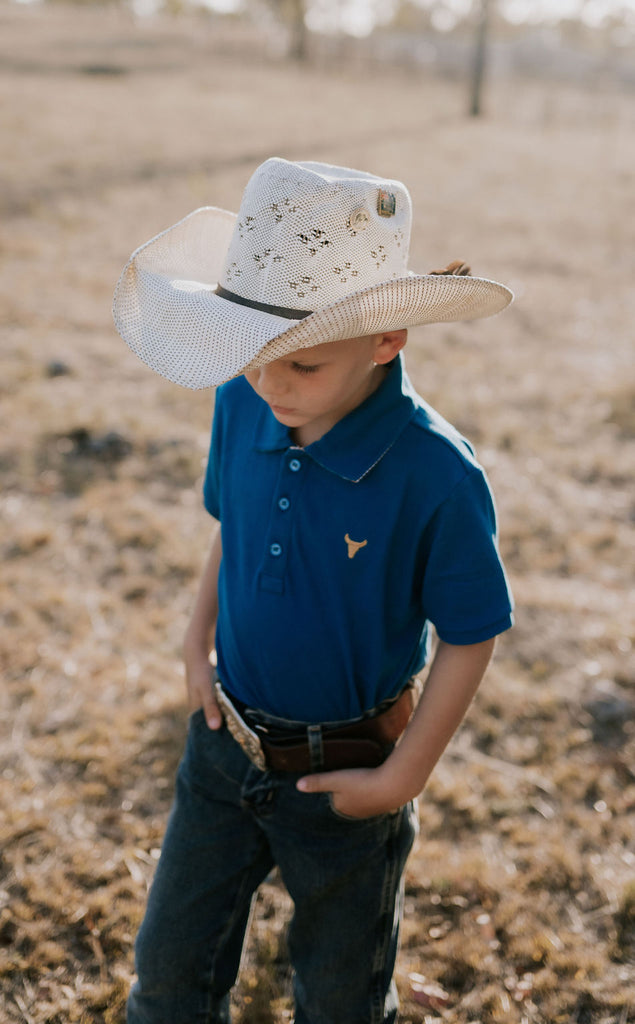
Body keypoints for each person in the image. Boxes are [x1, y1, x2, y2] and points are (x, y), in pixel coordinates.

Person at [113, 158, 515, 1024]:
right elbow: (232, 525)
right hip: (222, 748)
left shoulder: (433, 475)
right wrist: (195, 643)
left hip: (349, 775)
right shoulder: (244, 396)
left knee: (339, 995)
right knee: (169, 973)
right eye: (254, 357)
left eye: (301, 366)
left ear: (385, 340)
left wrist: (404, 775)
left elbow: (471, 633)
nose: (268, 384)